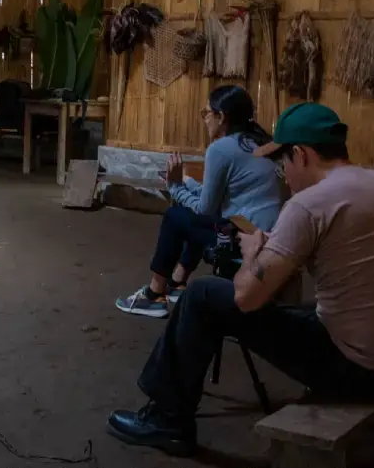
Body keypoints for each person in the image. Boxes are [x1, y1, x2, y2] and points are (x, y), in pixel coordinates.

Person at [106, 102, 374, 457]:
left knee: (203, 294)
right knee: (306, 310)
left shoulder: (309, 204)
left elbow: (247, 298)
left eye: (282, 164)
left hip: (356, 370)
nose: (283, 175)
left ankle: (168, 419)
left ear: (301, 154)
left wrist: (253, 253)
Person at [115, 85, 285, 317]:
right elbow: (218, 197)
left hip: (246, 241)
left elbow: (205, 208)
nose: (204, 119)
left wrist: (174, 188)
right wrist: (186, 183)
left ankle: (154, 295)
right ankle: (177, 283)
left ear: (221, 116)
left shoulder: (221, 149)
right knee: (194, 216)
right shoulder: (256, 142)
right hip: (263, 233)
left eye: (206, 113)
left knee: (176, 216)